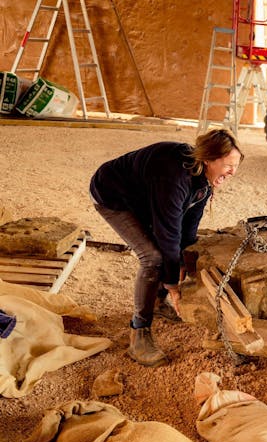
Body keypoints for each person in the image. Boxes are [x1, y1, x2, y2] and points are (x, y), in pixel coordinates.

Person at [90, 129, 244, 366]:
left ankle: (156, 301)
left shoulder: (203, 180)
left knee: (172, 253)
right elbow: (168, 233)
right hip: (113, 194)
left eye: (236, 165)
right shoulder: (173, 178)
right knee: (152, 257)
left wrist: (183, 260)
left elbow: (189, 227)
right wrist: (173, 285)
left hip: (145, 197)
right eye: (228, 165)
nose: (233, 172)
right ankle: (139, 333)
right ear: (208, 159)